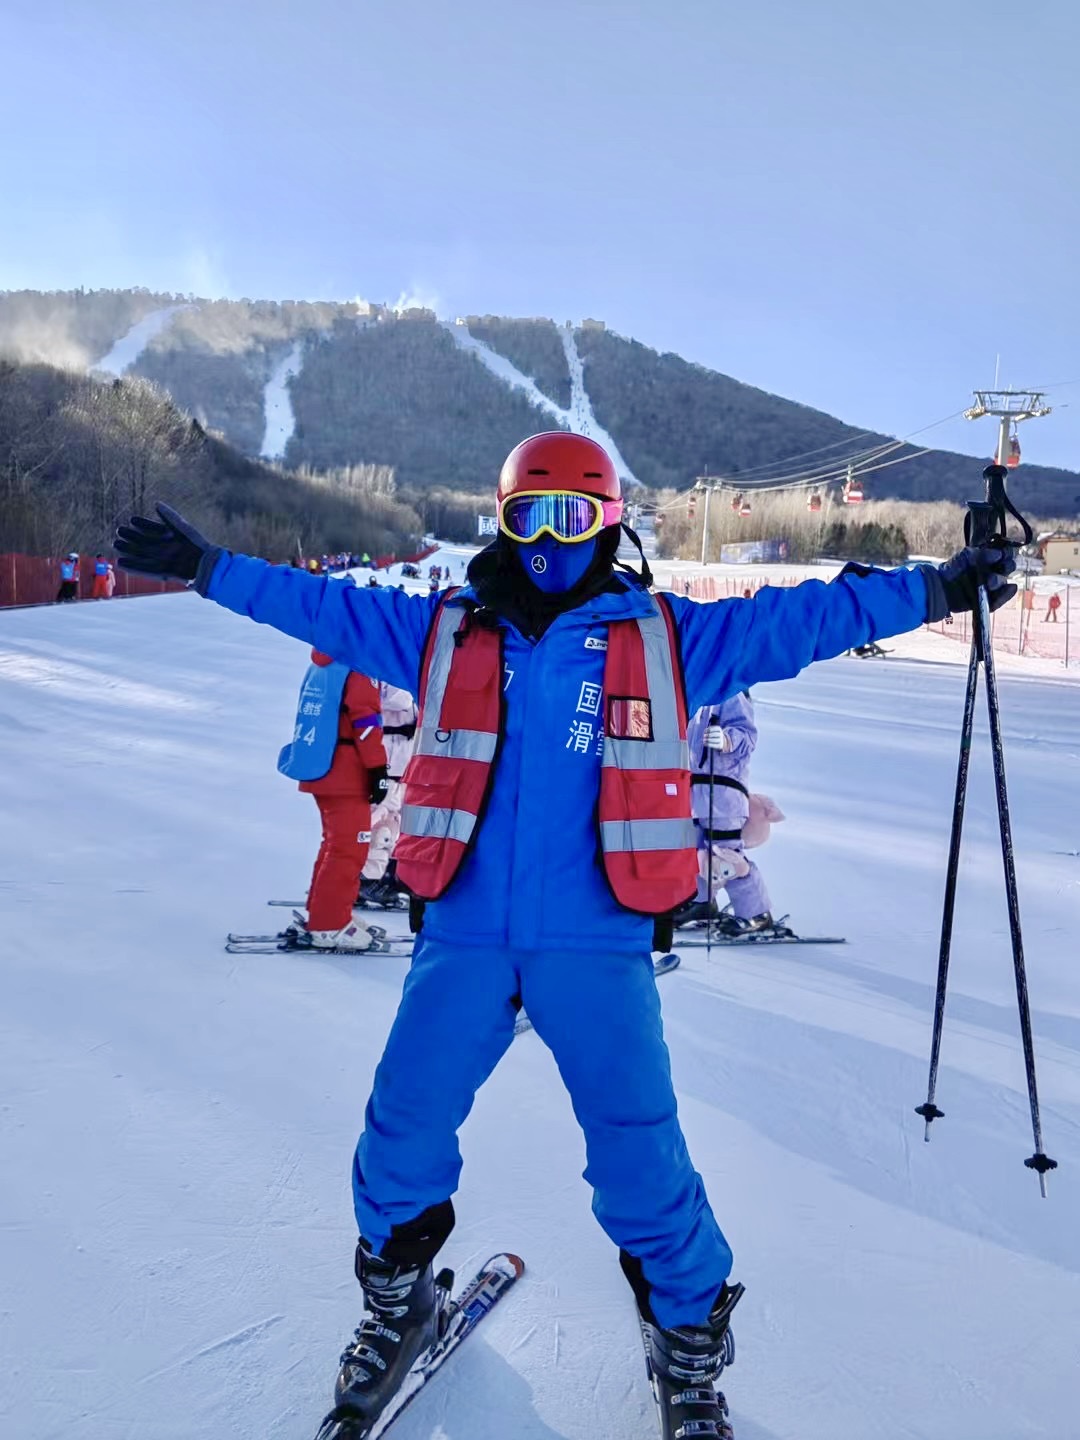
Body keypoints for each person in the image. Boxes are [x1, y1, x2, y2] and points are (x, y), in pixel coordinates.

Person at [114, 433, 1016, 1440]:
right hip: (466, 938)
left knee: (641, 1160)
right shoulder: (445, 632)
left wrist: (939, 589)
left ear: (610, 525)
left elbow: (804, 617)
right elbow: (322, 607)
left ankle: (686, 1339)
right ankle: (399, 1304)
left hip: (597, 946)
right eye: (528, 517)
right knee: (401, 1128)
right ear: (502, 522)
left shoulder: (669, 640)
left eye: (572, 518)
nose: (549, 542)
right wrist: (209, 567)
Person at [277, 649, 389, 951]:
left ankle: (326, 914)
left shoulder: (322, 664)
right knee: (349, 849)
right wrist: (378, 768)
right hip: (346, 772)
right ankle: (329, 924)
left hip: (323, 767)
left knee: (334, 845)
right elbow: (366, 722)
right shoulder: (358, 666)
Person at [674, 694, 784, 934]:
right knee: (697, 852)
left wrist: (727, 739)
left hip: (724, 794)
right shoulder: (697, 693)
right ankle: (701, 903)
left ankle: (756, 913)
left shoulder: (732, 693)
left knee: (726, 856)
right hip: (694, 793)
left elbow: (748, 736)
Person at [358, 682, 418, 909]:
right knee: (379, 820)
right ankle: (366, 879)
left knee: (392, 821)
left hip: (401, 763)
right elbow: (398, 699)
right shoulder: (388, 673)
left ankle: (380, 876)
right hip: (386, 760)